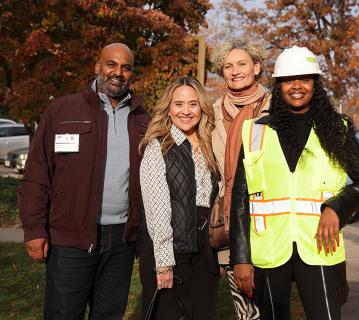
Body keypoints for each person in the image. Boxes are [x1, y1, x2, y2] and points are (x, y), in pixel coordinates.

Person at [230, 46, 359, 320]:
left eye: (304, 79)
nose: (296, 86)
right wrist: (240, 258)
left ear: (315, 84)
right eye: (289, 79)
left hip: (320, 247)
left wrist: (336, 206)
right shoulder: (256, 131)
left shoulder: (335, 129)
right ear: (279, 85)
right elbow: (241, 199)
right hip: (270, 248)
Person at [18, 43, 150, 319]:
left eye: (126, 67)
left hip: (121, 242)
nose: (118, 72)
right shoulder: (62, 111)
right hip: (70, 238)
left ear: (132, 74)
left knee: (109, 314)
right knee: (63, 314)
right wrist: (34, 229)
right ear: (97, 67)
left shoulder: (142, 120)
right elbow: (37, 174)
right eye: (111, 64)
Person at [139, 76, 220, 320]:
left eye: (193, 104)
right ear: (169, 108)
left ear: (201, 107)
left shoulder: (208, 144)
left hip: (204, 252)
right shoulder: (158, 146)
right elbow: (157, 208)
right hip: (172, 251)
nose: (186, 111)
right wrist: (164, 263)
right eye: (179, 104)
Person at [210, 38, 270, 320]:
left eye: (242, 64)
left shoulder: (277, 107)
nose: (234, 71)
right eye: (228, 66)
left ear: (257, 67)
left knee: (271, 306)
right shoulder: (211, 113)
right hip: (232, 224)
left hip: (273, 224)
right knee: (245, 312)